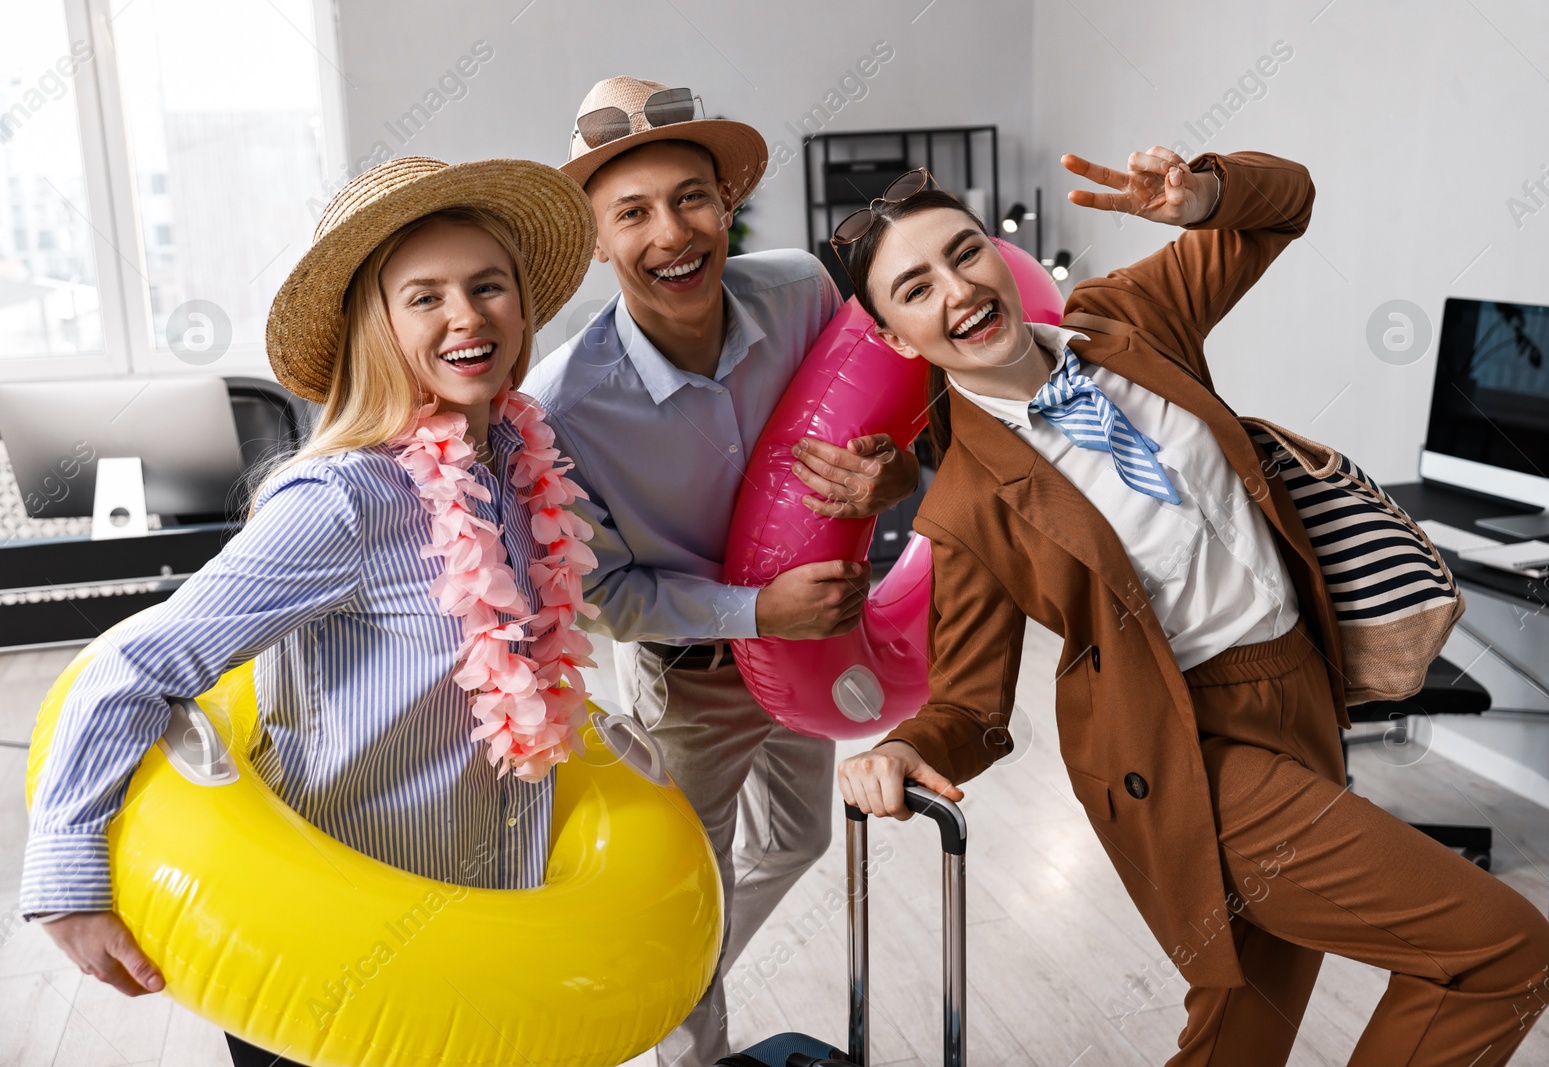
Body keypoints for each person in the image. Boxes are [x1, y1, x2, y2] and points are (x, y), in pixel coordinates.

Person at [835, 147, 1549, 1066]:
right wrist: (902, 747)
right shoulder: (970, 504)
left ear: (997, 256)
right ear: (900, 337)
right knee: (1503, 951)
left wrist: (1207, 194)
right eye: (916, 286)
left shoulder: (1129, 319)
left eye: (964, 253)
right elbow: (972, 709)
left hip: (1303, 690)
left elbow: (1286, 205)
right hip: (1183, 750)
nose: (958, 289)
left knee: (1239, 1039)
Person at [19, 155, 599, 1067]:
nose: (467, 315)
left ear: (522, 307)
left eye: (489, 285)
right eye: (425, 296)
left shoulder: (521, 474)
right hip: (336, 947)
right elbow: (135, 664)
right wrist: (68, 885)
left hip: (481, 923)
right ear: (375, 325)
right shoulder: (343, 499)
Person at [525, 76, 921, 1065]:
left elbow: (892, 432)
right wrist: (755, 607)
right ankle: (677, 1025)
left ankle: (653, 981)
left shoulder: (802, 290)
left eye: (691, 197)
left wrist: (890, 480)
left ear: (726, 205)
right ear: (598, 239)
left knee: (796, 841)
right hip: (690, 675)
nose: (672, 231)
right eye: (634, 212)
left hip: (812, 654)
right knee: (684, 890)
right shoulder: (561, 408)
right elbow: (606, 594)